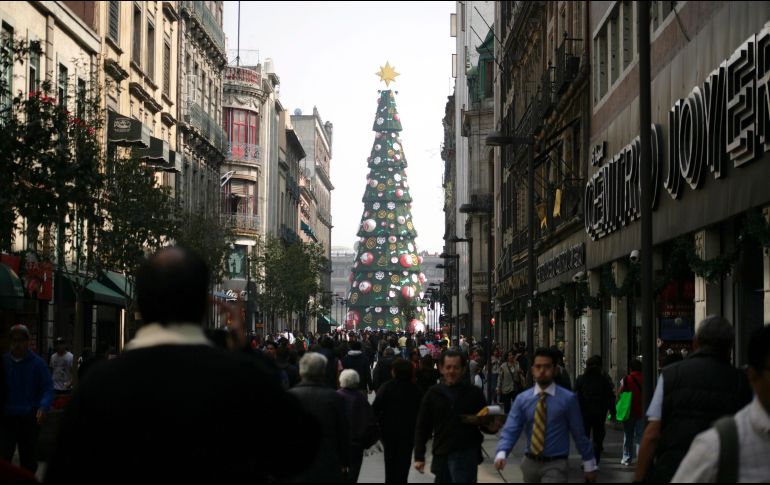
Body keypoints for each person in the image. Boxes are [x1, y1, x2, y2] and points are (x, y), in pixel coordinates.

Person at [45, 246, 318, 483]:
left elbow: (64, 472)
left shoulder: (100, 384)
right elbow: (298, 449)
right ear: (203, 305)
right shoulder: (242, 378)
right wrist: (247, 353)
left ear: (142, 302)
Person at [634, 316, 753, 483]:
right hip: (720, 472)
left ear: (695, 343)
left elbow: (652, 434)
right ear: (730, 347)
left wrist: (638, 479)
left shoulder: (670, 376)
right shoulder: (741, 381)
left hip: (674, 470)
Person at [672, 325, 770, 482]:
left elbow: (653, 431)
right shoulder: (717, 445)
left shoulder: (671, 375)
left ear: (695, 343)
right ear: (753, 377)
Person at [494, 347, 597, 483]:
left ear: (555, 370)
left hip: (556, 463)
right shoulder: (523, 400)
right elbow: (511, 428)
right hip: (530, 463)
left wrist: (589, 462)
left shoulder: (568, 399)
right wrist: (502, 452)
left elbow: (579, 433)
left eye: (547, 366)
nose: (542, 370)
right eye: (538, 366)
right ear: (532, 370)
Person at [413, 350, 490, 483]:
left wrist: (492, 426)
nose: (452, 371)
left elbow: (485, 421)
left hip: (467, 454)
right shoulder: (433, 394)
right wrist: (419, 455)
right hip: (443, 454)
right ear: (441, 368)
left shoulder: (474, 394)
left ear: (463, 369)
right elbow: (423, 426)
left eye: (456, 367)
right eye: (448, 367)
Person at [289, 352, 350, 482]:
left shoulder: (289, 397)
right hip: (328, 462)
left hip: (297, 462)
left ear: (301, 372)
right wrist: (344, 461)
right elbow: (343, 431)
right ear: (323, 372)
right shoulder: (334, 398)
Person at [1, 324, 54, 473]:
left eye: (21, 340)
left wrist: (43, 407)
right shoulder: (4, 362)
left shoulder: (38, 364)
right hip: (7, 418)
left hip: (29, 418)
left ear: (27, 342)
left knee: (28, 460)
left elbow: (47, 387)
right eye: (14, 340)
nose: (17, 344)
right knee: (4, 457)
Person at [373, 358, 424, 483]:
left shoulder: (386, 387)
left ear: (394, 371)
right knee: (404, 463)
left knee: (390, 464)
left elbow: (374, 409)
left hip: (388, 432)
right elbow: (423, 413)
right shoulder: (416, 390)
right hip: (409, 432)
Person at [337, 369, 377, 483]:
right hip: (357, 443)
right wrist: (368, 441)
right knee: (354, 471)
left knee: (340, 470)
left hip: (339, 442)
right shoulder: (360, 398)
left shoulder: (336, 396)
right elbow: (370, 419)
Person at [575, 355, 615, 464]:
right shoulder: (603, 380)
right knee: (597, 438)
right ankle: (595, 461)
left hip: (585, 414)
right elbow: (610, 397)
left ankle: (586, 460)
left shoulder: (581, 379)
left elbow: (575, 396)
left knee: (586, 437)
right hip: (599, 413)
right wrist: (613, 412)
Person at [618, 359, 643, 466]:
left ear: (630, 369)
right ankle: (640, 459)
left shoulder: (626, 379)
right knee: (640, 437)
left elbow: (619, 393)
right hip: (642, 411)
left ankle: (627, 458)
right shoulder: (646, 378)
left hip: (628, 412)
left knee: (628, 435)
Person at [497, 349, 526, 414]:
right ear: (507, 357)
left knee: (516, 404)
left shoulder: (517, 364)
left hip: (515, 387)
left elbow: (521, 373)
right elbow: (500, 378)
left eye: (512, 355)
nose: (511, 356)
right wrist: (498, 388)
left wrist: (521, 372)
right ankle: (507, 418)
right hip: (506, 388)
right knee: (507, 406)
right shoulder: (503, 366)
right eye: (509, 355)